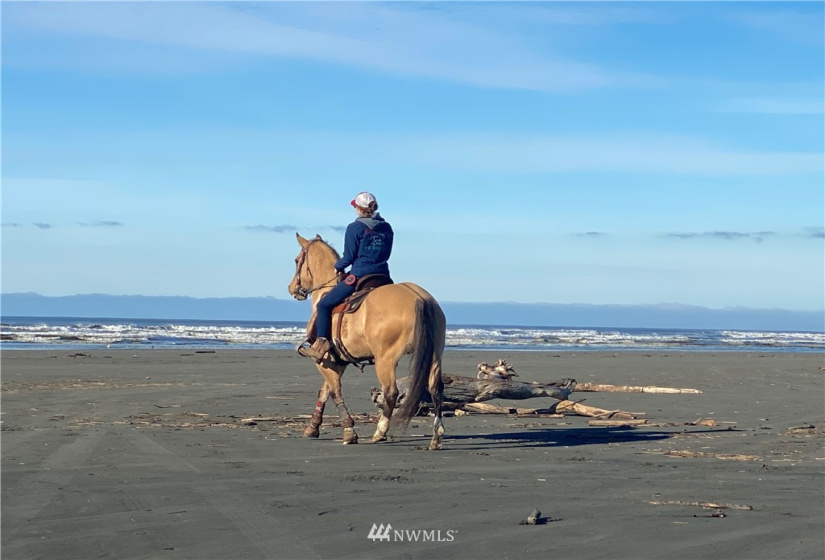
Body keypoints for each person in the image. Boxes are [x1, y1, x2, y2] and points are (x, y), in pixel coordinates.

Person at [300, 192, 394, 362]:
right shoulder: (387, 228)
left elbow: (349, 257)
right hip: (383, 276)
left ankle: (321, 345)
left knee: (323, 305)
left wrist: (338, 266)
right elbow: (387, 253)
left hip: (360, 275)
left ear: (358, 208)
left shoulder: (354, 228)